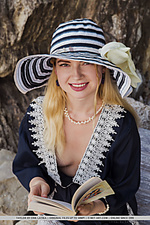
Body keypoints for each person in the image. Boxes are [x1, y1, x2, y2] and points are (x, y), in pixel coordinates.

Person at [13, 18, 141, 225]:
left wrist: (95, 206)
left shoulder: (120, 123)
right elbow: (26, 162)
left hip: (105, 217)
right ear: (55, 70)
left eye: (86, 62)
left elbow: (125, 184)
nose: (76, 75)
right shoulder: (38, 114)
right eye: (65, 64)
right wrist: (36, 181)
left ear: (102, 69)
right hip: (53, 213)